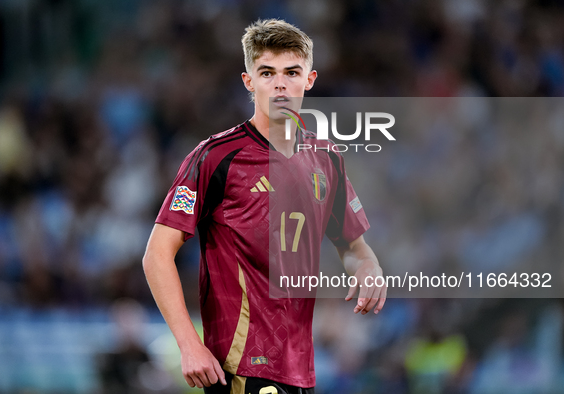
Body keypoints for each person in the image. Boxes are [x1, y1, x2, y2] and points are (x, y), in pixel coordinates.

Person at [142, 19, 386, 394]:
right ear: (249, 81)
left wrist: (368, 268)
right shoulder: (215, 157)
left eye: (292, 72)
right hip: (241, 364)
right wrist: (189, 344)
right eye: (267, 72)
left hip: (300, 367)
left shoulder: (326, 158)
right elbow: (157, 253)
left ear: (310, 79)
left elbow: (354, 247)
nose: (280, 84)